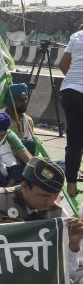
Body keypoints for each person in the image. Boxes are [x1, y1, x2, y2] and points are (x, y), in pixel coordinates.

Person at [0, 157, 83, 284]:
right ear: (24, 186)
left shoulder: (58, 214)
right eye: (45, 195)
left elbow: (69, 271)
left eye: (55, 195)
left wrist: (74, 244)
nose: (51, 201)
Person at [59, 24, 83, 197]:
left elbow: (63, 63)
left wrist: (74, 80)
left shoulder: (76, 36)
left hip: (69, 91)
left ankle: (71, 184)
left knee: (74, 140)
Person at [4, 82, 37, 156]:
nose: (25, 103)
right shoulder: (1, 121)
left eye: (26, 99)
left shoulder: (28, 120)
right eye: (21, 100)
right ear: (10, 102)